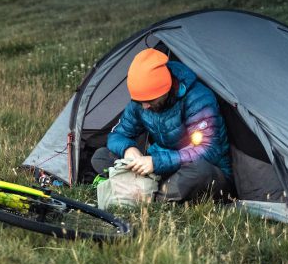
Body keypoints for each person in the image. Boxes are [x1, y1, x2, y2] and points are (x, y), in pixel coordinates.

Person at [91, 48, 232, 202]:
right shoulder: (142, 102)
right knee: (101, 156)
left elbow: (209, 150)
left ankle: (144, 194)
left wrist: (157, 162)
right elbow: (117, 134)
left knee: (200, 172)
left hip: (203, 171)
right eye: (140, 101)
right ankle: (152, 190)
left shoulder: (198, 98)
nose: (144, 106)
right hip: (158, 169)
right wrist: (128, 150)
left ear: (165, 89)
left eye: (150, 101)